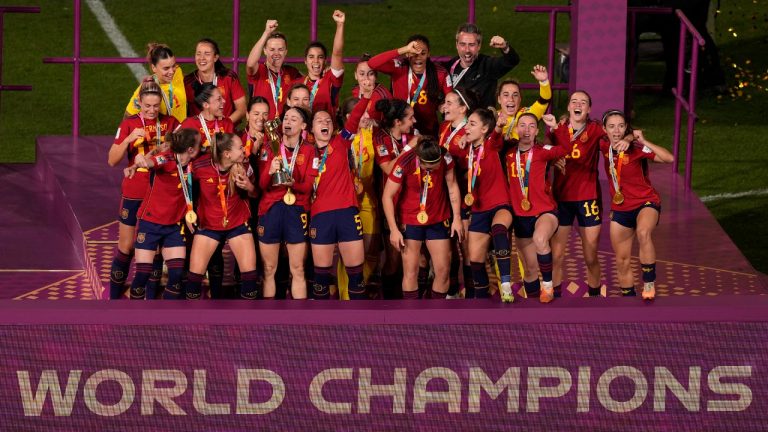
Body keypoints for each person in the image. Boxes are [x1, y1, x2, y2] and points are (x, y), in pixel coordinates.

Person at [547, 91, 630, 298]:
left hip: (588, 199)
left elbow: (619, 132)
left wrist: (628, 138)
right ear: (568, 107)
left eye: (583, 102)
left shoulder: (595, 129)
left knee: (590, 255)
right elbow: (544, 153)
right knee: (556, 255)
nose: (578, 104)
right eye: (574, 101)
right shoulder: (557, 129)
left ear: (589, 109)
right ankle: (556, 298)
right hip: (561, 199)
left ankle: (594, 298)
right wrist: (552, 160)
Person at [108, 80, 179, 299]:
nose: (151, 110)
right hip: (134, 191)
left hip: (159, 194)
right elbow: (112, 160)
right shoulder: (129, 123)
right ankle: (114, 297)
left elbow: (180, 153)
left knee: (154, 247)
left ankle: (149, 299)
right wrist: (128, 139)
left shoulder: (171, 123)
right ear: (139, 103)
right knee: (126, 246)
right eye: (147, 106)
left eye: (155, 106)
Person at [600, 109, 673, 299]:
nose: (616, 131)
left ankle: (649, 283)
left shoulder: (637, 149)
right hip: (621, 208)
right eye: (612, 126)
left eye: (621, 126)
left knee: (643, 232)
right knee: (622, 260)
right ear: (604, 129)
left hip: (645, 202)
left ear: (626, 128)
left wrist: (641, 140)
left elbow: (669, 158)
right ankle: (628, 299)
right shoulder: (602, 145)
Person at [124, 128, 202, 299]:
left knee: (175, 277)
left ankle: (166, 319)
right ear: (190, 149)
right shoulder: (166, 159)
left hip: (173, 227)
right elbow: (150, 162)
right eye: (199, 144)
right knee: (142, 276)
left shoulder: (192, 165)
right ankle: (133, 320)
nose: (202, 147)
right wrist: (138, 162)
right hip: (150, 224)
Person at [382, 137, 464, 299]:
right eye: (428, 168)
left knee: (442, 271)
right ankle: (412, 317)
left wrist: (457, 218)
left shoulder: (445, 156)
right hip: (410, 220)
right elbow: (387, 196)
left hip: (438, 218)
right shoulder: (404, 162)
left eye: (436, 166)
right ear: (419, 160)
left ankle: (436, 316)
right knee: (411, 271)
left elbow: (452, 185)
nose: (433, 170)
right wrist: (393, 229)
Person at [506, 113, 574, 303]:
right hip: (520, 216)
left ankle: (548, 286)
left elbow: (567, 148)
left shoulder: (543, 151)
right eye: (522, 126)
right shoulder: (508, 153)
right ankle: (533, 306)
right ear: (516, 129)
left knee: (540, 238)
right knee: (529, 268)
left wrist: (556, 127)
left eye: (531, 126)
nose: (526, 130)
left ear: (536, 131)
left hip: (544, 211)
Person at [186, 133, 259, 300]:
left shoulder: (245, 165)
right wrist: (188, 212)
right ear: (227, 154)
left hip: (238, 224)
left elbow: (255, 194)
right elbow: (185, 189)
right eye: (240, 148)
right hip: (208, 226)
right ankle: (191, 322)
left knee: (250, 277)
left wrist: (249, 186)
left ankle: (247, 323)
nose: (244, 151)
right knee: (194, 278)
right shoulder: (199, 166)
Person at [307, 106, 368, 299]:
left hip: (346, 213)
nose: (325, 123)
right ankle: (321, 327)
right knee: (321, 277)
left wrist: (366, 96)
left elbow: (354, 119)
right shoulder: (304, 153)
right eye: (319, 120)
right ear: (310, 129)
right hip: (320, 216)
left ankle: (360, 325)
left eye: (328, 121)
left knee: (356, 275)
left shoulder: (340, 143)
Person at [256, 106, 314, 299]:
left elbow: (307, 187)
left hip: (296, 211)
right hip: (271, 209)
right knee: (269, 268)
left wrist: (293, 183)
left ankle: (300, 323)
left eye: (293, 119)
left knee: (297, 268)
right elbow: (262, 185)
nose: (288, 122)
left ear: (303, 125)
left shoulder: (309, 150)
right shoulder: (269, 146)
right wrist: (270, 171)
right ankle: (267, 321)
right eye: (286, 118)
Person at [459, 108, 514, 301]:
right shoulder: (467, 150)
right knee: (475, 259)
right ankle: (481, 301)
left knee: (499, 228)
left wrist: (499, 126)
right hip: (479, 210)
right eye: (467, 123)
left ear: (484, 129)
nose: (467, 127)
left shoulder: (491, 145)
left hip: (500, 205)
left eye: (472, 124)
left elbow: (497, 135)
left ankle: (506, 284)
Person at [368, 35, 450, 136]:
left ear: (429, 54)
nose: (418, 57)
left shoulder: (440, 73)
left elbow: (451, 99)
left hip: (428, 131)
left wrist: (443, 105)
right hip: (399, 129)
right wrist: (404, 49)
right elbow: (372, 63)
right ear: (407, 54)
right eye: (413, 53)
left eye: (423, 53)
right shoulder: (399, 67)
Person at [439, 88, 478, 298]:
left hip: (464, 198)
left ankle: (472, 294)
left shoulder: (471, 132)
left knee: (466, 248)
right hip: (444, 198)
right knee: (449, 247)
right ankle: (453, 292)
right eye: (445, 102)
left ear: (463, 108)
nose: (445, 107)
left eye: (450, 103)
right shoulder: (444, 128)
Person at [444, 23, 520, 110]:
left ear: (479, 46)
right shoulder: (449, 67)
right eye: (463, 44)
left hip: (481, 122)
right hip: (454, 122)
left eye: (471, 45)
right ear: (457, 45)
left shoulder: (488, 65)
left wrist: (505, 47)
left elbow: (512, 60)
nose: (467, 50)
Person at [246, 20, 303, 119]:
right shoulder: (259, 70)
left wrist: (324, 70)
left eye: (280, 49)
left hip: (284, 130)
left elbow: (311, 79)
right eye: (272, 49)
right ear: (264, 51)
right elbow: (250, 64)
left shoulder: (292, 73)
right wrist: (266, 33)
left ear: (286, 51)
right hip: (260, 129)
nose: (276, 53)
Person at [184, 38, 247, 125]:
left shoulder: (228, 77)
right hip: (199, 134)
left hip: (226, 135)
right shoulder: (187, 82)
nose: (201, 58)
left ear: (215, 57)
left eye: (207, 54)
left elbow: (242, 109)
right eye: (198, 54)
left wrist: (224, 125)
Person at [126, 43, 186, 123]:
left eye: (173, 66)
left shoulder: (177, 72)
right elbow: (128, 118)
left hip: (183, 133)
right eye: (166, 68)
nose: (171, 72)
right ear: (153, 67)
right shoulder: (146, 89)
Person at [301, 10, 346, 118]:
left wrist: (340, 25)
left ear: (325, 61)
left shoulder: (331, 80)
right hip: (303, 133)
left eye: (320, 57)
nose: (316, 61)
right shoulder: (297, 83)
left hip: (326, 132)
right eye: (311, 57)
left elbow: (337, 54)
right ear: (305, 61)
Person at [498, 65, 551, 142]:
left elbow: (544, 100)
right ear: (499, 99)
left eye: (515, 95)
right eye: (506, 95)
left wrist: (544, 82)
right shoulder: (492, 117)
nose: (511, 99)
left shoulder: (527, 114)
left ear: (520, 99)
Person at [180, 84, 235, 149]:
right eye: (219, 99)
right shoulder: (189, 124)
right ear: (206, 105)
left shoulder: (227, 123)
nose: (224, 101)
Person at [352, 53, 392, 125]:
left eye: (371, 74)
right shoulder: (355, 90)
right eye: (362, 74)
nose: (366, 78)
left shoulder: (382, 95)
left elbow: (391, 124)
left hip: (378, 135)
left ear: (376, 76)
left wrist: (373, 122)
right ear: (356, 75)